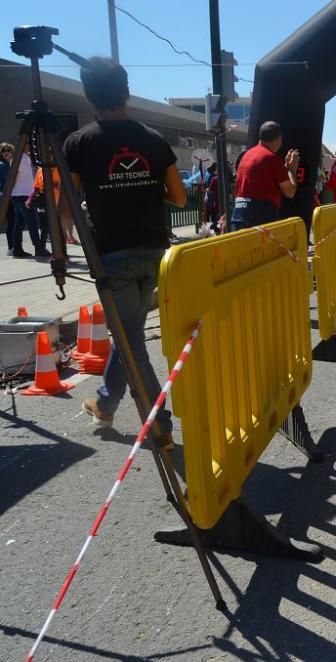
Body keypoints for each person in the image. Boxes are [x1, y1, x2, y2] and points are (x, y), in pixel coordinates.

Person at [63, 57, 186, 447]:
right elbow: (180, 197)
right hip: (155, 251)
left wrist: (65, 234)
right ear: (127, 90)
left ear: (88, 95)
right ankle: (105, 403)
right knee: (129, 332)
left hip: (112, 256)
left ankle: (160, 425)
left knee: (131, 339)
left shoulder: (79, 142)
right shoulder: (153, 139)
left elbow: (65, 200)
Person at [230, 121, 299, 230]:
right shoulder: (272, 159)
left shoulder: (246, 155)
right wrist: (291, 169)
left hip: (238, 216)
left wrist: (283, 169)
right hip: (260, 218)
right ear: (278, 139)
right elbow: (290, 192)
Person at [7, 142, 49, 258]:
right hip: (22, 194)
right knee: (32, 222)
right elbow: (14, 175)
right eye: (28, 143)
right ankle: (38, 248)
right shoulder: (19, 159)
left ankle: (17, 249)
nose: (30, 145)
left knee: (20, 223)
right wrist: (11, 191)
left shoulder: (27, 157)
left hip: (23, 193)